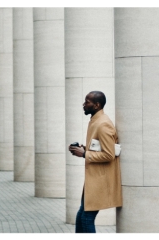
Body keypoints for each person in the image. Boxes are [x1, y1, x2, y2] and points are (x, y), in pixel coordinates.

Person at [68, 91, 122, 233]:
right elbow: (99, 148)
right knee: (81, 216)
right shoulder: (96, 121)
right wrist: (82, 149)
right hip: (93, 179)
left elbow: (109, 155)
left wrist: (85, 154)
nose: (84, 104)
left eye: (87, 102)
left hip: (100, 180)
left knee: (86, 218)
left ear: (97, 105)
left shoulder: (103, 124)